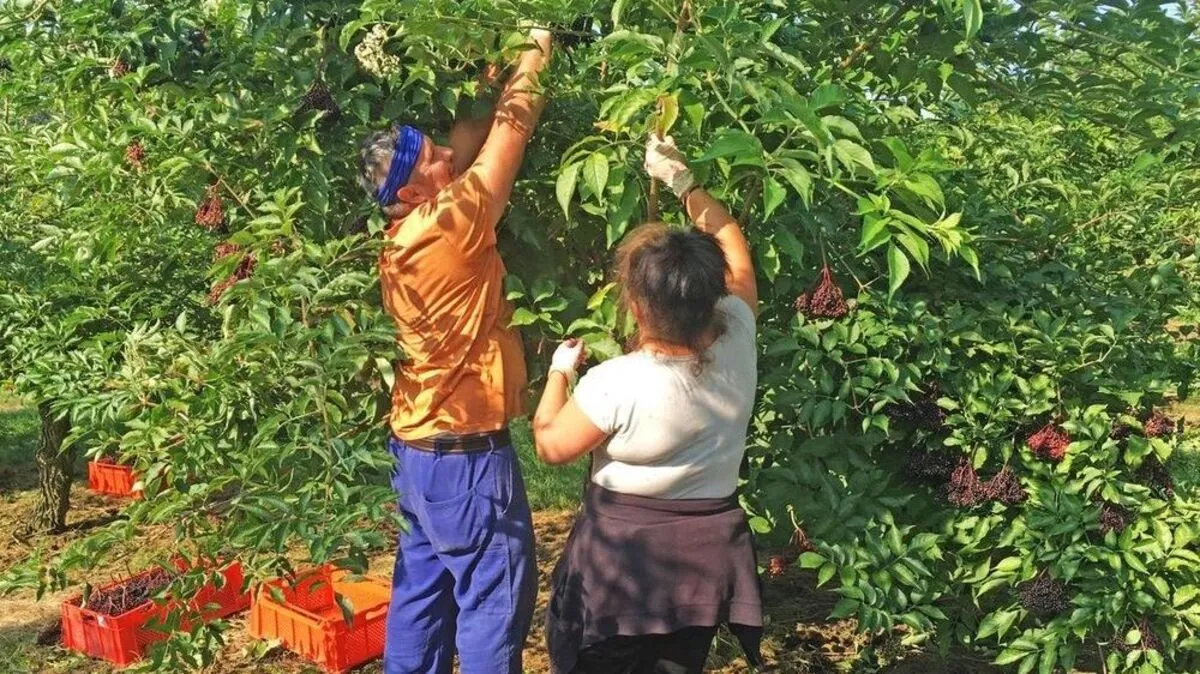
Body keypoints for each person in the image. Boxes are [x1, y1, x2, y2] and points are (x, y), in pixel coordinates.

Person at [356, 27, 552, 674]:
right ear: (414, 193)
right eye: (437, 159)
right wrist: (536, 43)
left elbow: (468, 149)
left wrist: (483, 77)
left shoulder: (402, 238)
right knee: (494, 607)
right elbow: (510, 135)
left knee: (420, 600)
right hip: (466, 463)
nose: (450, 159)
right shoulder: (453, 221)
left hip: (415, 454)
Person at [533, 134, 764, 674]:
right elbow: (734, 247)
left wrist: (558, 375)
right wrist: (681, 178)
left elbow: (549, 445)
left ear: (637, 308)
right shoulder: (738, 339)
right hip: (702, 566)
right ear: (712, 299)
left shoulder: (617, 383)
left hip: (622, 571)